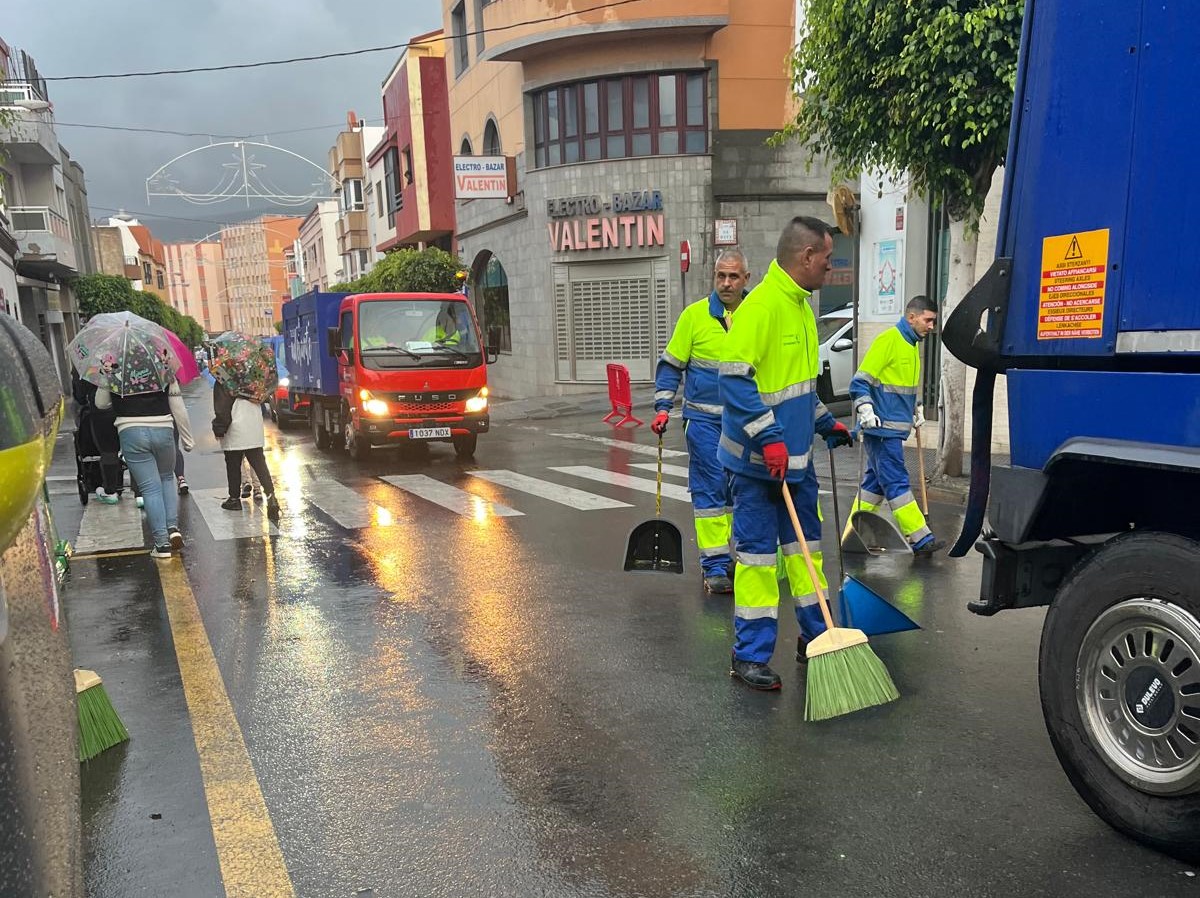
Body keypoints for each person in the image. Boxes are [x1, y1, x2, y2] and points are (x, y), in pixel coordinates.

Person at [718, 216, 853, 690]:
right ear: (806, 257)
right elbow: (734, 380)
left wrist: (824, 421)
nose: (830, 269)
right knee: (757, 563)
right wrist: (769, 438)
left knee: (805, 555)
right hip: (758, 467)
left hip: (795, 465)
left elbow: (793, 387)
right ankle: (748, 657)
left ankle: (817, 637)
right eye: (828, 260)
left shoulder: (799, 306)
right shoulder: (764, 308)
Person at [651, 249, 751, 594]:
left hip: (746, 424)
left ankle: (741, 557)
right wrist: (663, 408)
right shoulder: (693, 318)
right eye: (721, 275)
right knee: (711, 491)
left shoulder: (757, 316)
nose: (726, 283)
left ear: (745, 280)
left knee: (742, 492)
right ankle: (715, 566)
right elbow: (671, 366)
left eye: (733, 276)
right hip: (704, 423)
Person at [848, 294, 944, 554]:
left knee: (874, 484)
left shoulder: (911, 345)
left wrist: (917, 407)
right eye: (928, 320)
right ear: (911, 317)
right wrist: (865, 408)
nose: (931, 327)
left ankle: (851, 535)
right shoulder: (889, 340)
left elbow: (904, 387)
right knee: (896, 481)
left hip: (893, 429)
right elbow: (859, 382)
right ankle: (920, 537)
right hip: (881, 430)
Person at [94, 378, 194, 558]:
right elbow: (177, 403)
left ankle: (162, 544)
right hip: (163, 428)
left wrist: (105, 376)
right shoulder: (161, 364)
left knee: (149, 488)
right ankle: (172, 528)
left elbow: (101, 404)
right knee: (166, 478)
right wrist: (187, 439)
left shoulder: (117, 368)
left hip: (131, 430)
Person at [212, 381, 280, 521]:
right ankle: (271, 497)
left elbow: (222, 407)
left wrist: (219, 427)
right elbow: (264, 396)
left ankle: (234, 498)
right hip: (253, 424)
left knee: (233, 464)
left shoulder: (224, 375)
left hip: (234, 426)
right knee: (260, 464)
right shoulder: (256, 375)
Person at [71, 368, 124, 503]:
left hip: (100, 414)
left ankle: (110, 489)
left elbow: (80, 396)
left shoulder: (86, 363)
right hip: (126, 409)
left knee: (108, 450)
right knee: (136, 453)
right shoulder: (125, 356)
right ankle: (139, 492)